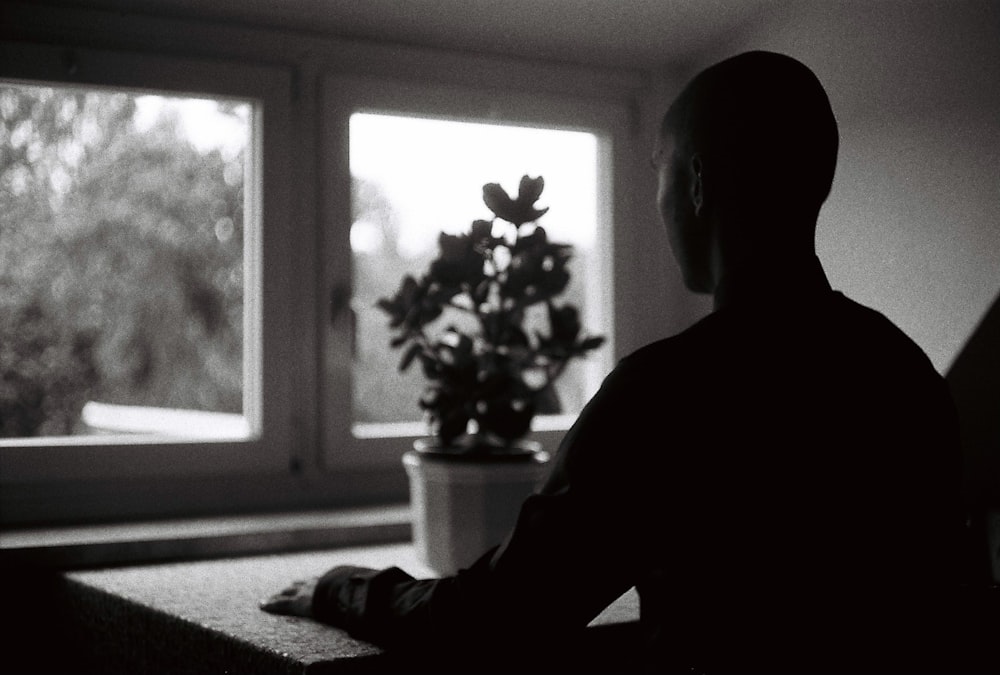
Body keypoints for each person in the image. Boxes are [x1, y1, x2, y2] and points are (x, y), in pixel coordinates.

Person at [262, 51, 967, 673]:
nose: (659, 205)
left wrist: (347, 588)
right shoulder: (907, 372)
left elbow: (499, 619)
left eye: (659, 170)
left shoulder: (666, 393)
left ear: (696, 183)